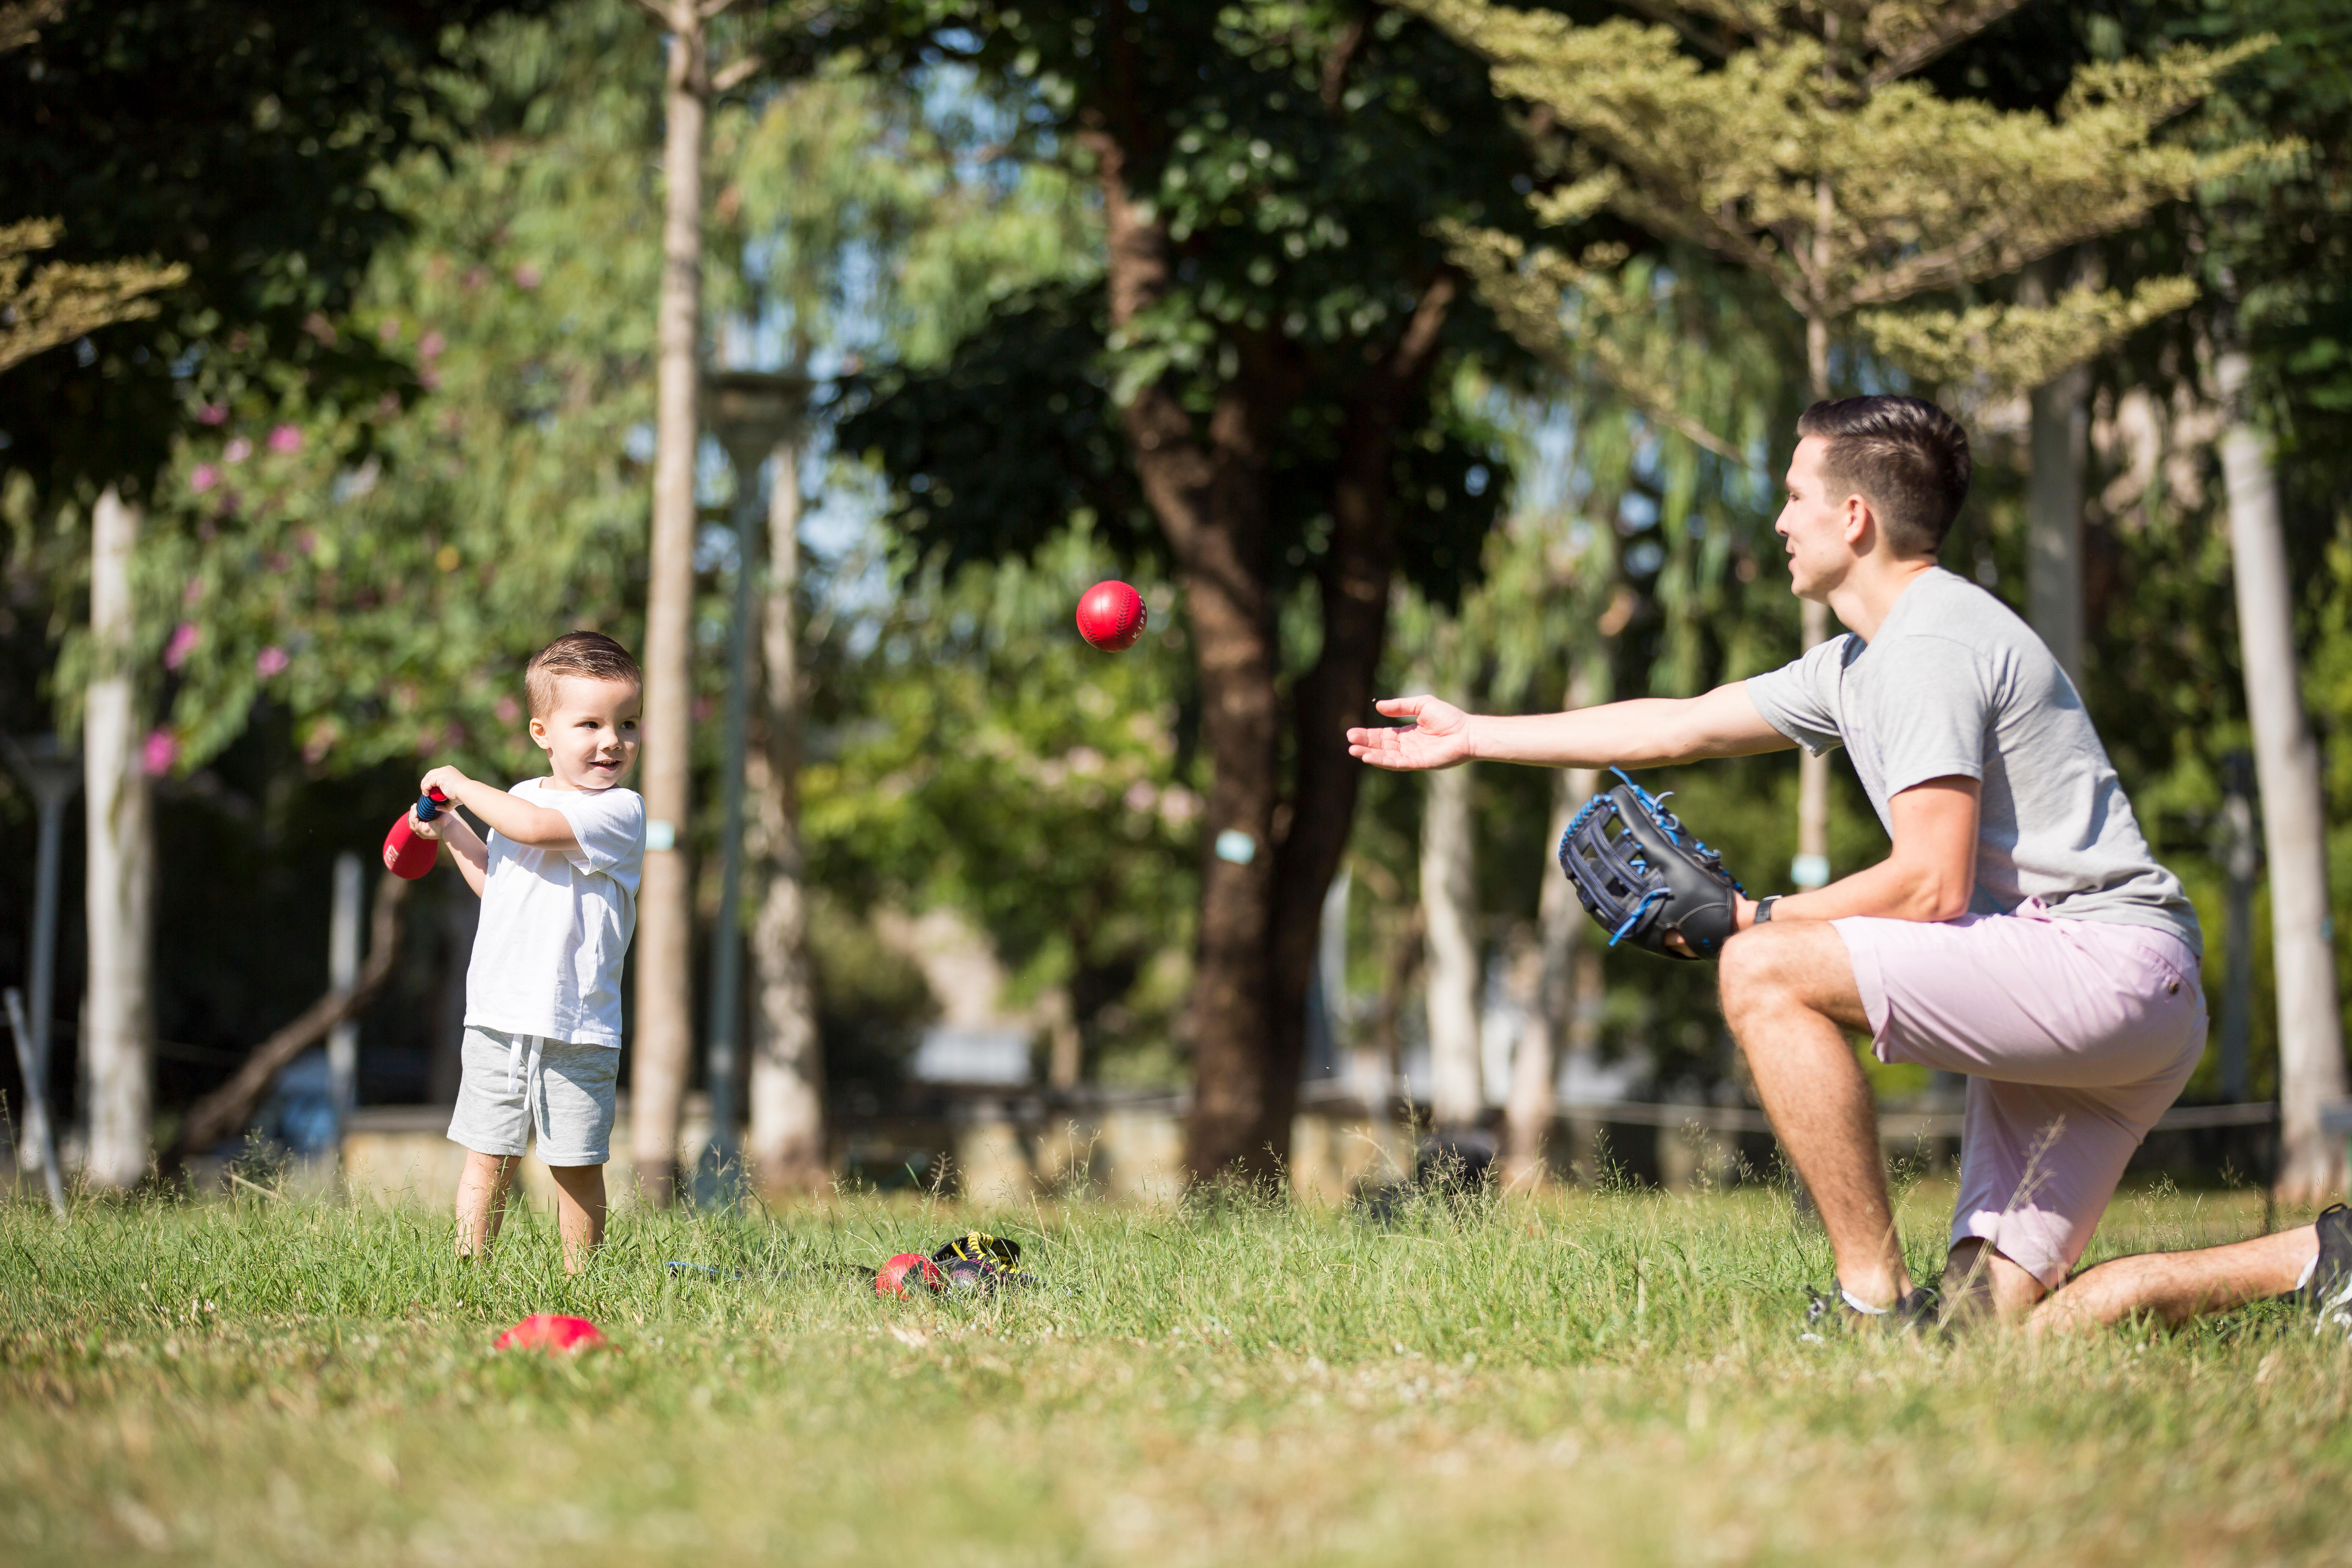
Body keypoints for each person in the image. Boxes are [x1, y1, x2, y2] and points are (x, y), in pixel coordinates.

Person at [1347, 395, 2351, 1336]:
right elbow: (1682, 725)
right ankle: (2319, 1257)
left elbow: (1930, 885)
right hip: (2104, 990)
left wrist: (1757, 921)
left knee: (1762, 971)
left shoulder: (1929, 643)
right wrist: (1475, 735)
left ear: (1856, 517)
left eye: (1795, 496)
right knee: (1983, 1334)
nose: (1781, 520)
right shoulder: (1861, 662)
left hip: (2099, 966)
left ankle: (1870, 1301)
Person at [405, 630, 646, 1271]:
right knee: (489, 1153)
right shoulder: (521, 796)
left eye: (627, 724)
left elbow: (534, 830)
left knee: (575, 1162)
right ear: (543, 732)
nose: (612, 741)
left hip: (577, 1023)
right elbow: (501, 883)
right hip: (498, 1014)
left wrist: (458, 783)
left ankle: (582, 1280)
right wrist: (452, 827)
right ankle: (469, 1272)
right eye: (590, 723)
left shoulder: (620, 811)